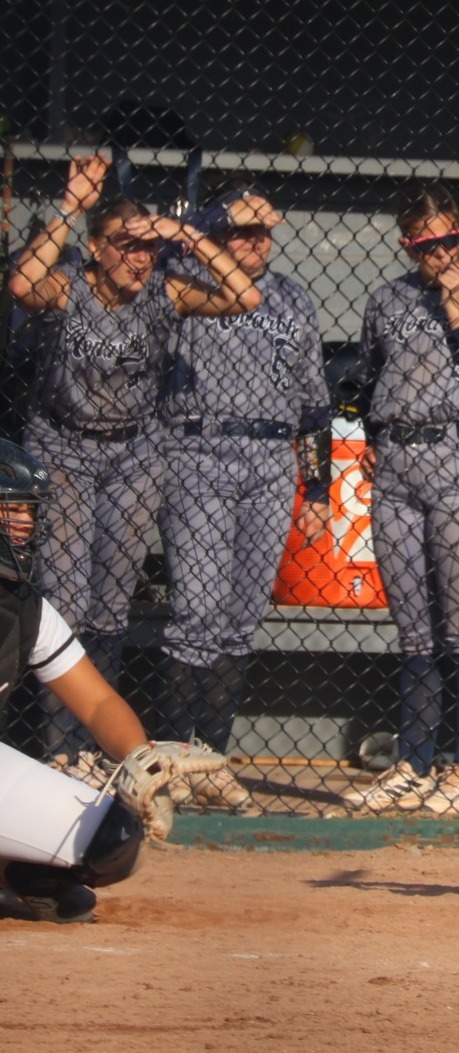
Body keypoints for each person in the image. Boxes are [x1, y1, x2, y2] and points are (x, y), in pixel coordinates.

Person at [4, 154, 260, 780]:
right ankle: (64, 752)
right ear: (95, 249)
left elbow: (244, 295)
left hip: (133, 453)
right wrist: (70, 207)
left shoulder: (164, 292)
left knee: (110, 605)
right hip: (64, 448)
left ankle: (95, 754)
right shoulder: (70, 284)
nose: (139, 259)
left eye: (146, 248)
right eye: (125, 246)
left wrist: (185, 236)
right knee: (64, 597)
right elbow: (19, 286)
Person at [339, 182, 459, 816]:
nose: (439, 255)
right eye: (426, 246)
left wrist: (458, 309)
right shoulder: (387, 298)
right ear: (407, 244)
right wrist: (366, 434)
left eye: (448, 241)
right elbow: (363, 377)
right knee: (415, 630)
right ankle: (414, 764)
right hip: (396, 463)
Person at [155, 186, 333, 812]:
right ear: (218, 233)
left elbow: (314, 403)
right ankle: (173, 762)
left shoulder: (292, 298)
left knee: (237, 623)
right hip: (197, 450)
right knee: (196, 614)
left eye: (265, 233)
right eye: (244, 232)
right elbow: (163, 242)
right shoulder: (179, 280)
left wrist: (316, 487)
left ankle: (212, 761)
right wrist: (216, 220)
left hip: (270, 460)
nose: (258, 242)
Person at [0, 437, 213, 923]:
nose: (27, 524)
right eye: (11, 510)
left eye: (29, 512)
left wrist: (142, 762)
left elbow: (97, 705)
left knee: (112, 838)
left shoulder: (26, 611)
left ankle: (16, 876)